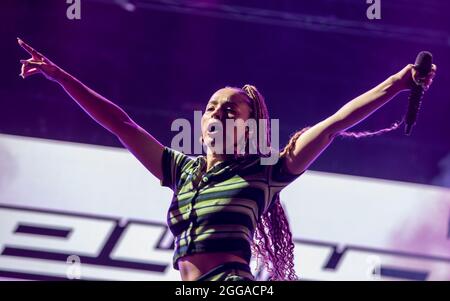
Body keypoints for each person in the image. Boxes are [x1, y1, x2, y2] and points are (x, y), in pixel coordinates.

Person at [17, 38, 436, 281]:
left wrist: (397, 84)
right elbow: (122, 124)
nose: (218, 110)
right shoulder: (181, 170)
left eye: (231, 108)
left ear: (252, 126)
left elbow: (332, 124)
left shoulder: (267, 171)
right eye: (213, 105)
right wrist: (60, 75)